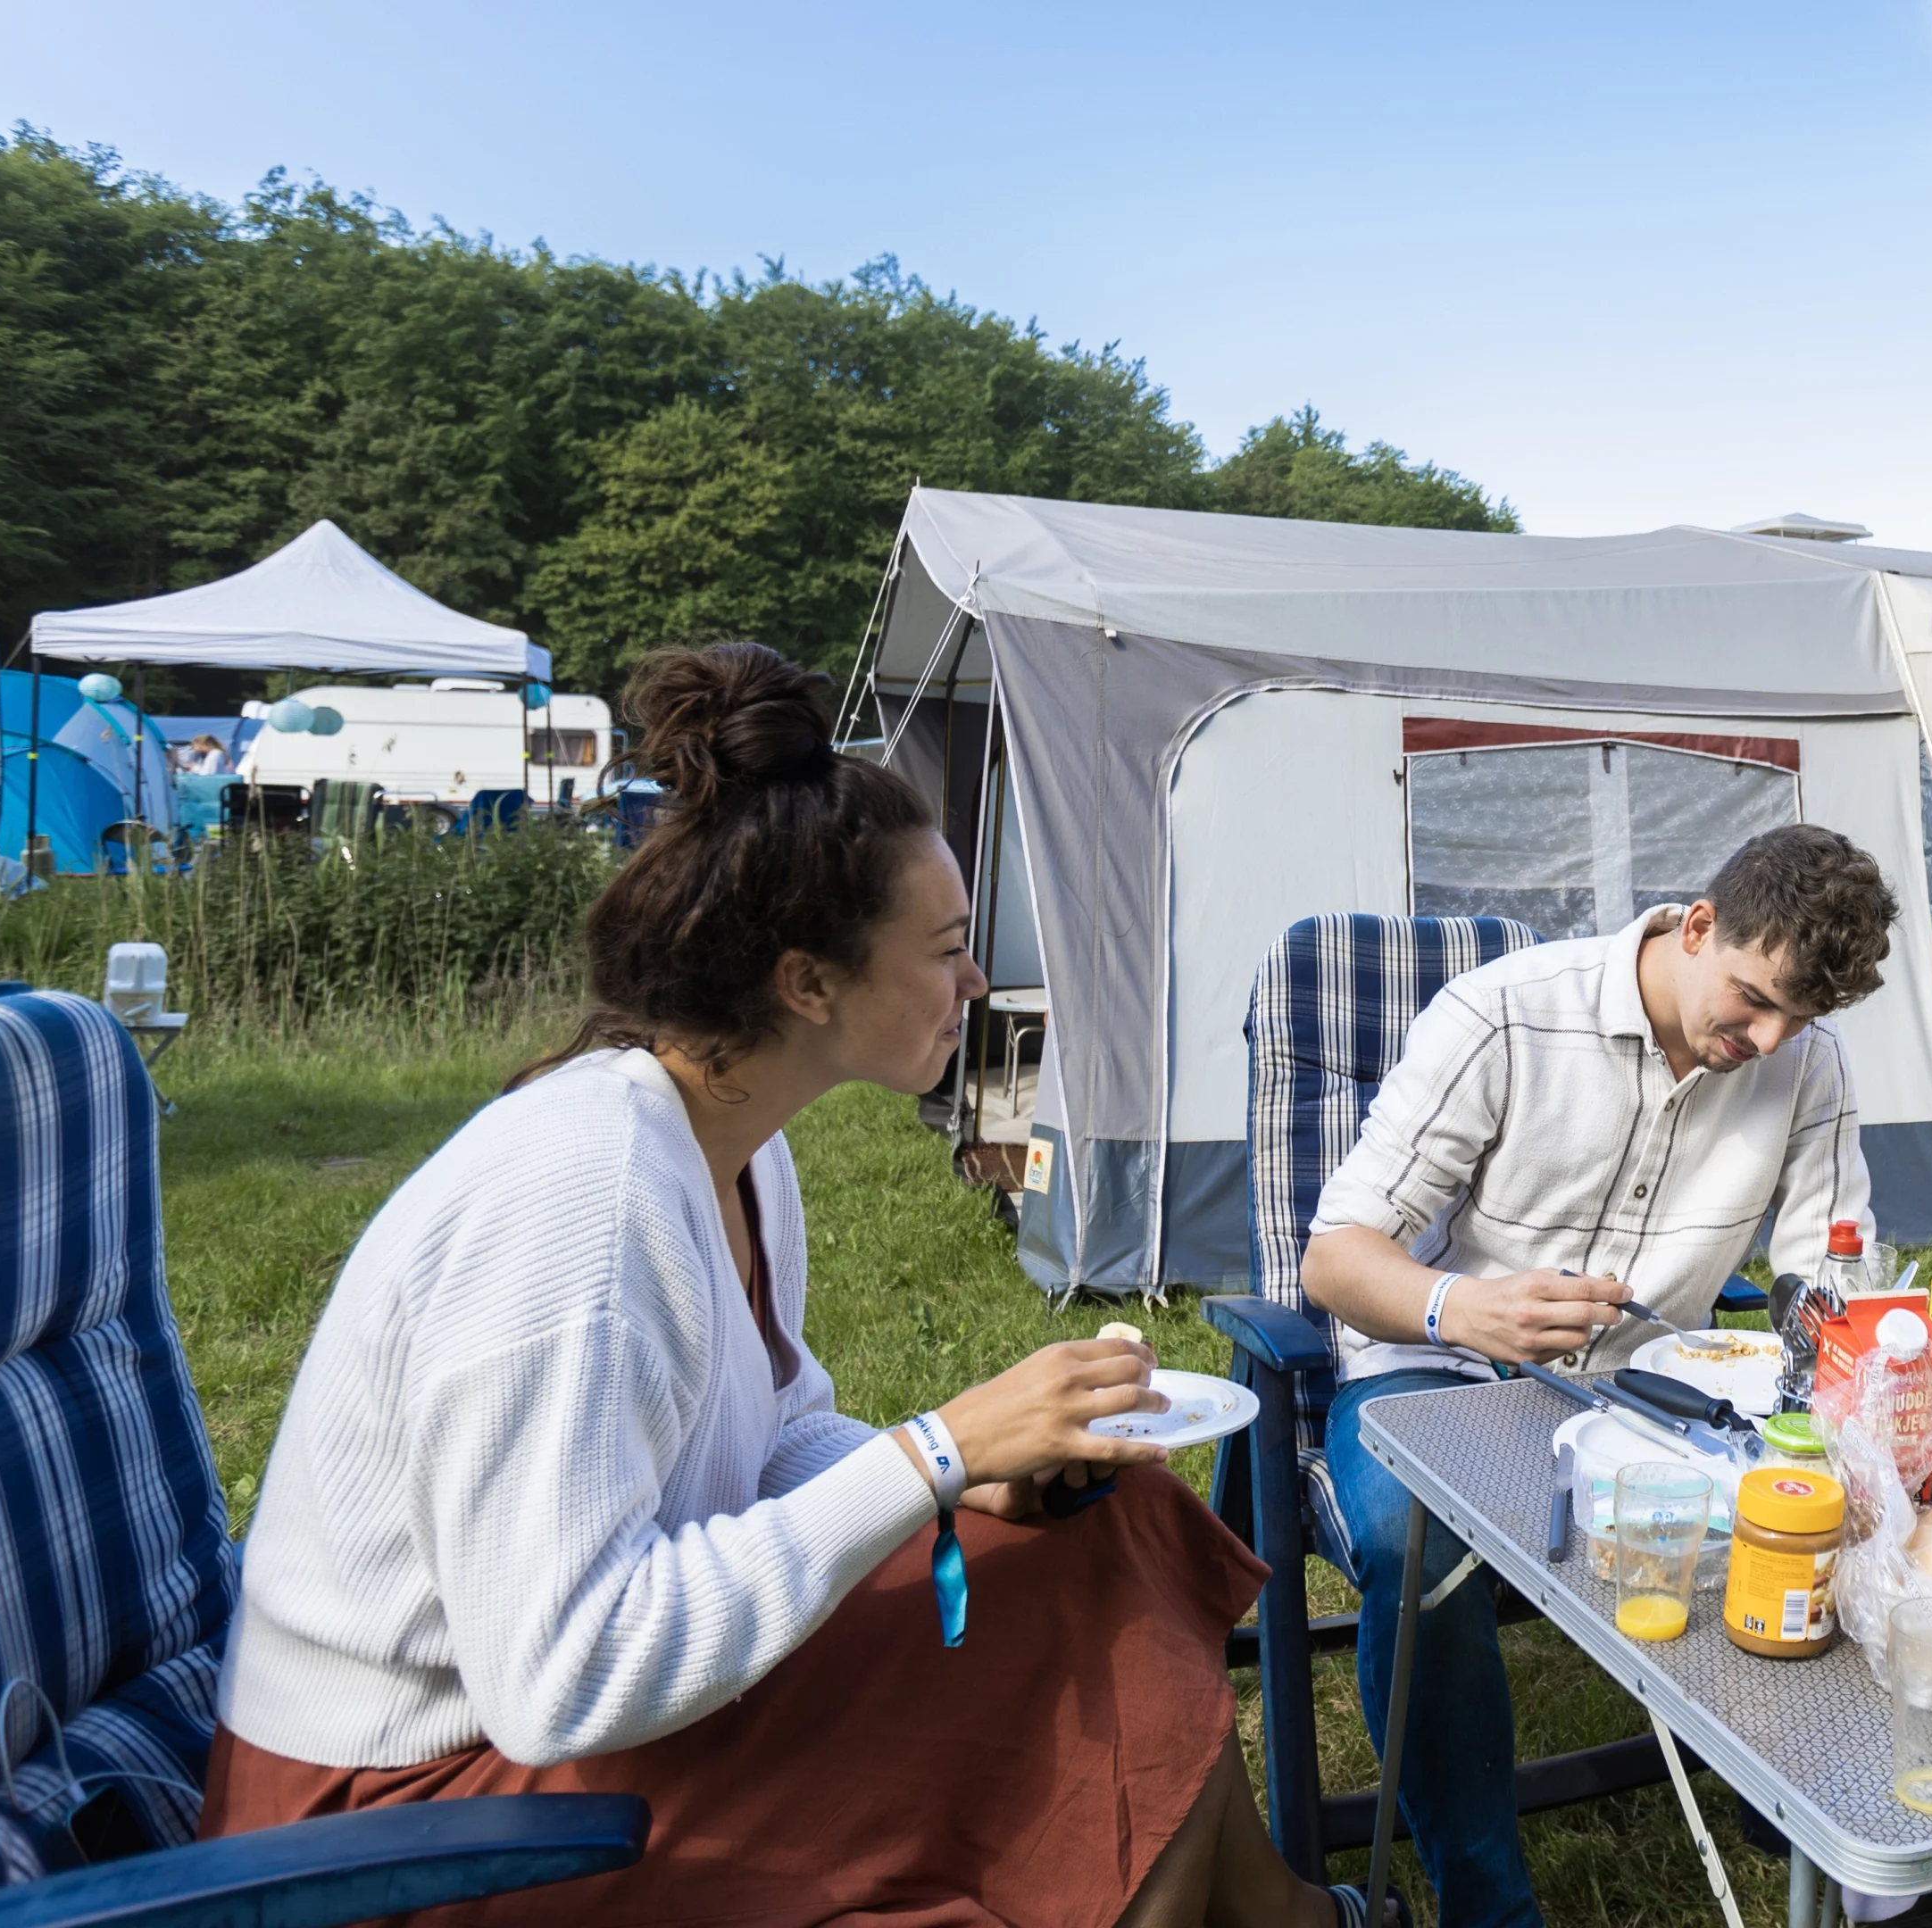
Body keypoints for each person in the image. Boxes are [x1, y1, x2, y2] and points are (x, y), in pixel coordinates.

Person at [207, 644, 1358, 1928]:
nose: (976, 984)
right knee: (1058, 1630)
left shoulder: (736, 1149)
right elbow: (562, 1678)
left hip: (526, 1753)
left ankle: (1280, 1918)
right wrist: (934, 1453)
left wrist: (980, 1478)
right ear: (808, 981)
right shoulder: (579, 1208)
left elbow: (775, 1436)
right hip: (400, 1827)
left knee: (1104, 1526)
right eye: (947, 950)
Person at [1300, 826, 1897, 1928]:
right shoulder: (1505, 1017)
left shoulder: (1804, 1058)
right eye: (1755, 1001)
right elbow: (1334, 1257)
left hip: (1652, 1396)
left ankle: (1837, 1838)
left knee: (1855, 1500)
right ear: (1698, 926)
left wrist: (1842, 1349)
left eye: (1801, 1018)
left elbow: (1827, 1273)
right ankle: (1489, 1907)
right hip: (1444, 1366)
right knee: (1411, 1539)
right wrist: (1462, 1306)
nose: (1770, 1041)